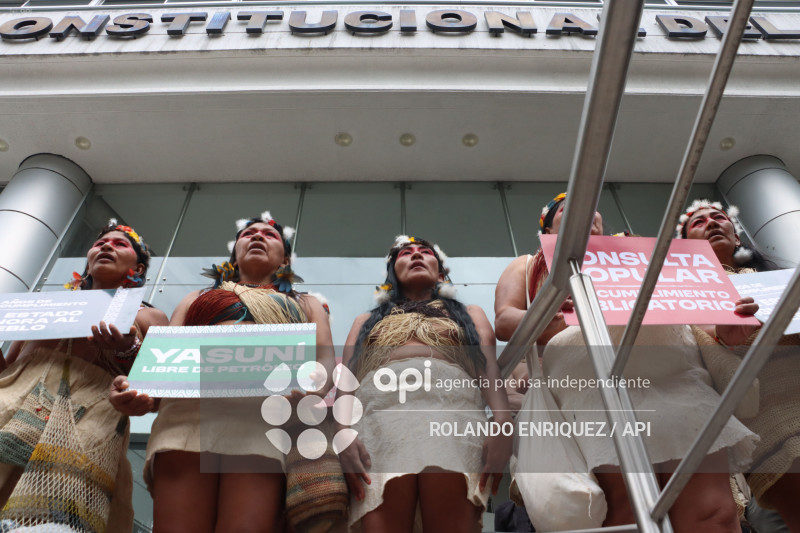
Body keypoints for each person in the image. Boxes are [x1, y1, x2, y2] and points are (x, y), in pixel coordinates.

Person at [495, 193, 757, 532]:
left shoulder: (641, 249)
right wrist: (572, 313)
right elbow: (506, 320)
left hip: (678, 373)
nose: (584, 210)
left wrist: (723, 327)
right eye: (566, 208)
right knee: (630, 511)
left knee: (714, 512)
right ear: (547, 225)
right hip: (593, 384)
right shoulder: (529, 265)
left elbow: (687, 302)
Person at [111, 211, 338, 533]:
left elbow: (324, 360)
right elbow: (160, 361)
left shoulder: (306, 303)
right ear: (235, 252)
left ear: (285, 257)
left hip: (263, 417)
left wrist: (313, 385)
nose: (258, 237)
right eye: (249, 234)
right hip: (188, 415)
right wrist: (134, 390)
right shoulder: (196, 298)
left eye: (269, 235)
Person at [0, 219, 168, 533]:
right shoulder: (42, 307)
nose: (107, 246)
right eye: (101, 242)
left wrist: (125, 349)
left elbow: (159, 393)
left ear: (139, 268)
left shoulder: (148, 315)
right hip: (7, 412)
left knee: (49, 522)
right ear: (88, 259)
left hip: (86, 427)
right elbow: (8, 372)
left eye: (121, 244)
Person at [340, 235, 513, 533]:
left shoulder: (470, 315)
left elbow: (489, 372)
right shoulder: (365, 320)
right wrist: (342, 432)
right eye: (406, 253)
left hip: (452, 418)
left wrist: (502, 423)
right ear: (392, 274)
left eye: (425, 252)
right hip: (378, 423)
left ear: (441, 271)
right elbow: (346, 381)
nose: (416, 255)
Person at [678, 199, 800, 532]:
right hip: (768, 412)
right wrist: (723, 334)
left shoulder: (781, 279)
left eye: (718, 217)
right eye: (699, 223)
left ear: (737, 237)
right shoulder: (681, 293)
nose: (713, 222)